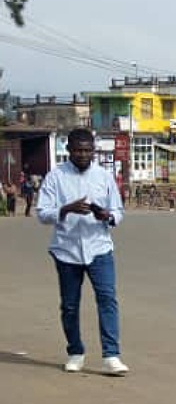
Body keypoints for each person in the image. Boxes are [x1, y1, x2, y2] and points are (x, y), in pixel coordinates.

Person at [35, 129, 129, 376]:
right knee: (69, 305)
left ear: (94, 150)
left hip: (99, 247)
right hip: (66, 250)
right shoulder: (55, 177)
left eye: (88, 150)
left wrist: (106, 216)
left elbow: (118, 211)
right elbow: (42, 213)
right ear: (69, 149)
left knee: (107, 299)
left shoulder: (104, 177)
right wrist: (66, 209)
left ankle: (111, 355)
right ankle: (75, 351)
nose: (83, 155)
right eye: (78, 150)